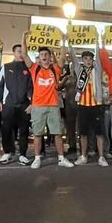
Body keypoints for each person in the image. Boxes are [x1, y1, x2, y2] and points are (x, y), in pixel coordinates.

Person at [15, 36, 73, 169]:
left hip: (53, 106)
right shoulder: (34, 68)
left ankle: (61, 158)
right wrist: (23, 37)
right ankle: (37, 158)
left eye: (46, 54)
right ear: (39, 57)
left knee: (57, 133)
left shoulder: (55, 69)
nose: (44, 56)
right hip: (38, 106)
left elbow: (63, 57)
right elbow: (24, 54)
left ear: (50, 56)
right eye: (42, 54)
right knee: (37, 133)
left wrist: (63, 41)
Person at [68, 47, 109, 166]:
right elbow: (73, 58)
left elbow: (99, 57)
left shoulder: (97, 70)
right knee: (83, 133)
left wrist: (97, 40)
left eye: (90, 59)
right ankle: (83, 156)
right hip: (83, 106)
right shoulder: (79, 70)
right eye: (85, 59)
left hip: (96, 105)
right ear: (82, 60)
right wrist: (69, 43)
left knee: (99, 133)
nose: (88, 61)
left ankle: (101, 157)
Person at [0, 44, 33, 165]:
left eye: (23, 52)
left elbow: (33, 88)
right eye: (18, 51)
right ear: (14, 53)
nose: (21, 54)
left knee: (24, 131)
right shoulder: (6, 67)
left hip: (24, 105)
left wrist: (32, 103)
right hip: (9, 105)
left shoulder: (29, 68)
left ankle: (22, 155)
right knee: (6, 130)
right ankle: (7, 153)